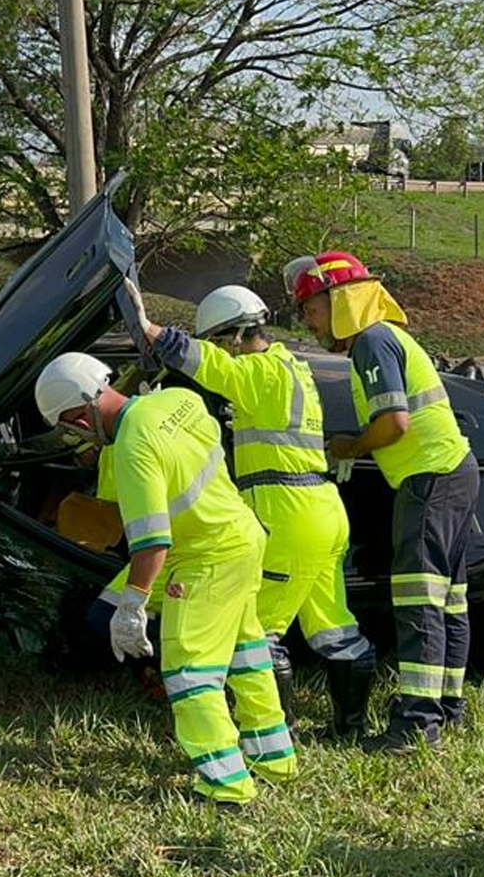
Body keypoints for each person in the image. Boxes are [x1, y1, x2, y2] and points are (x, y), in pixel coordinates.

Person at [35, 352, 294, 807]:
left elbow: (151, 543)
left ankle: (226, 786)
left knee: (190, 674)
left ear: (80, 413)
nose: (75, 436)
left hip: (202, 557)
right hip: (241, 536)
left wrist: (134, 605)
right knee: (246, 654)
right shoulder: (177, 400)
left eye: (70, 427)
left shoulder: (134, 446)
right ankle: (274, 757)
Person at [140, 285, 374, 738]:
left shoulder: (259, 372)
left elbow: (208, 366)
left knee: (259, 631)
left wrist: (152, 331)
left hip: (286, 514)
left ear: (236, 335)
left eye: (220, 341)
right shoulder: (292, 366)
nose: (219, 350)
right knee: (334, 629)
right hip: (323, 510)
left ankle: (272, 734)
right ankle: (351, 730)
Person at [291, 251, 478, 753]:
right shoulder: (387, 338)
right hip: (454, 472)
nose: (309, 323)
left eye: (310, 309)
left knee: (418, 600)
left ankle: (417, 723)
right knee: (448, 599)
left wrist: (350, 446)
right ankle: (446, 707)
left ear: (339, 299)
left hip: (430, 479)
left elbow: (394, 422)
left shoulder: (373, 342)